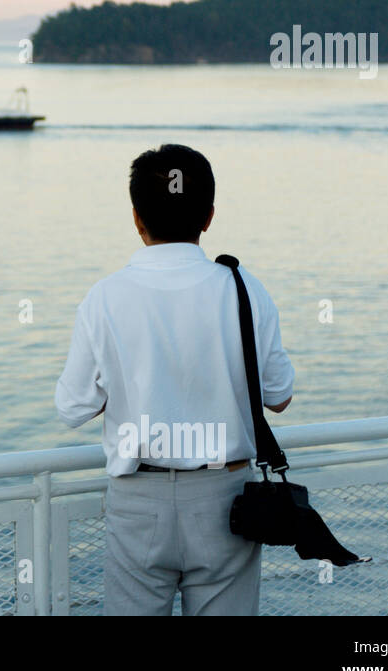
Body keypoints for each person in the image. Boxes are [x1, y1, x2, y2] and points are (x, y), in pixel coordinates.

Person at [54, 144, 294, 615]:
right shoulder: (244, 288)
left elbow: (72, 407)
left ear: (136, 218)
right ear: (208, 217)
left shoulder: (105, 298)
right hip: (226, 500)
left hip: (137, 500)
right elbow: (280, 396)